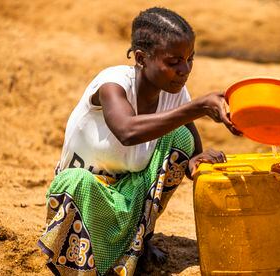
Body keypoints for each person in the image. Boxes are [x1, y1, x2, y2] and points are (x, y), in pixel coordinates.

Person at [38, 6, 240, 276]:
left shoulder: (174, 91)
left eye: (190, 58)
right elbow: (127, 131)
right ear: (142, 58)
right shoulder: (113, 85)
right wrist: (198, 107)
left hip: (129, 189)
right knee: (77, 183)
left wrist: (196, 162)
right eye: (174, 62)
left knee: (178, 136)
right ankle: (83, 267)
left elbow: (187, 138)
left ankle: (139, 241)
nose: (185, 69)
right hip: (87, 196)